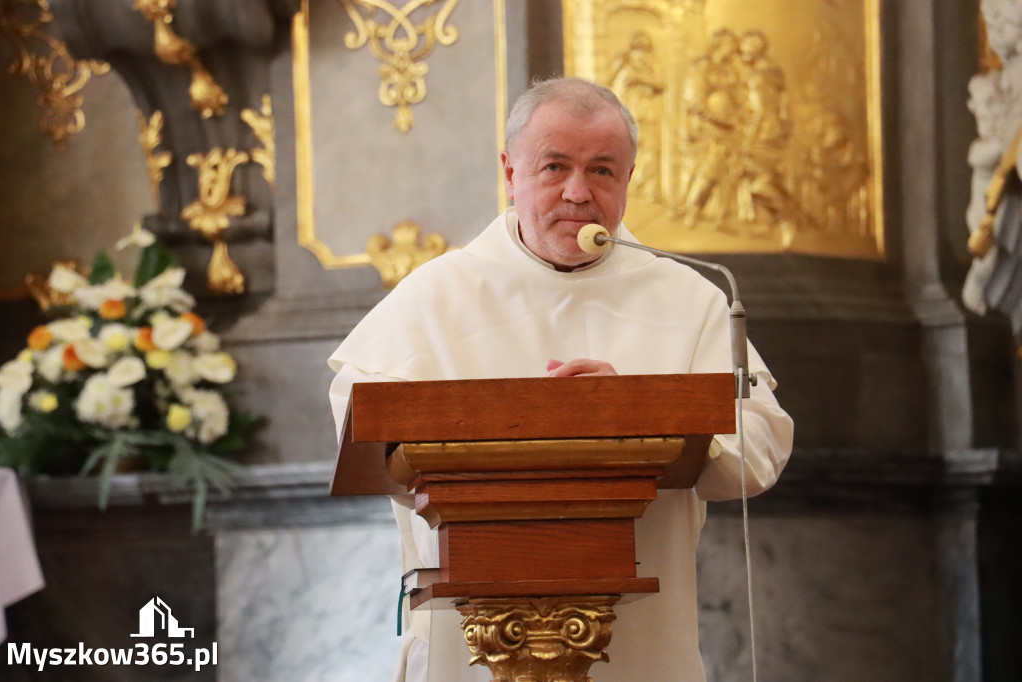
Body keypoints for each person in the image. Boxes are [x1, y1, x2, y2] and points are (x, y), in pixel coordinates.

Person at [328, 77, 793, 682]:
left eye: (602, 170)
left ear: (629, 178)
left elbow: (762, 444)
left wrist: (641, 410)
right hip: (472, 639)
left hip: (641, 642)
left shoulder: (688, 298)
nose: (578, 192)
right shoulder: (437, 295)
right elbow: (359, 422)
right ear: (510, 172)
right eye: (554, 167)